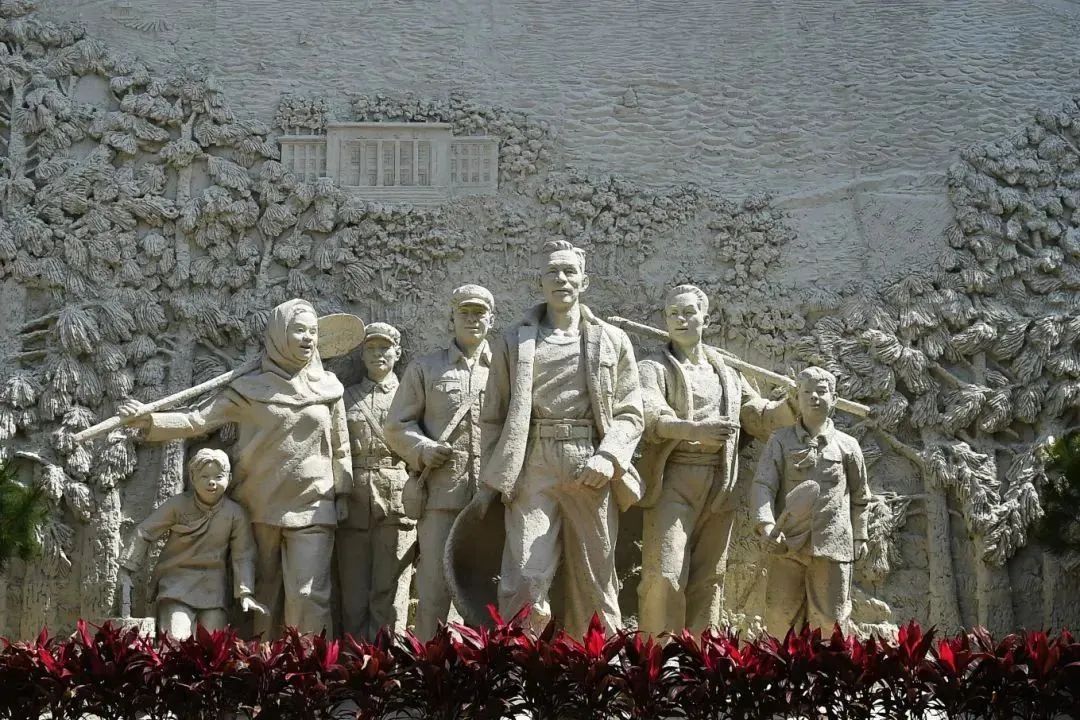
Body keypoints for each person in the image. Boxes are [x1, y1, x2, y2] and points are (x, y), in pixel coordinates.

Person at [119, 298, 352, 637]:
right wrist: (149, 421)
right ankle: (262, 659)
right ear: (279, 335)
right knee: (263, 590)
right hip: (260, 503)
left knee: (309, 594)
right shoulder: (249, 390)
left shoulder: (329, 388)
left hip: (314, 503)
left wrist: (342, 492)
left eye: (313, 332)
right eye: (299, 330)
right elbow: (196, 420)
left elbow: (341, 447)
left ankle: (309, 663)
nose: (308, 338)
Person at [477, 240, 643, 637]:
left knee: (595, 578)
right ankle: (516, 664)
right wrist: (496, 476)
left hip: (591, 461)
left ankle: (597, 666)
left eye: (570, 271)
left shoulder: (612, 340)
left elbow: (631, 413)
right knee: (524, 574)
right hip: (534, 461)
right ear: (540, 281)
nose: (561, 279)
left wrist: (609, 457)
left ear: (584, 281)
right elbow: (493, 416)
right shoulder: (514, 341)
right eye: (552, 272)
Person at [636, 284, 795, 635]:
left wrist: (790, 407)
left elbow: (755, 415)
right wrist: (693, 429)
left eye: (688, 312)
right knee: (664, 573)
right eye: (673, 314)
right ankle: (658, 654)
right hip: (674, 478)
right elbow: (650, 415)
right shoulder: (653, 367)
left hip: (721, 481)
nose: (681, 319)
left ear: (705, 319)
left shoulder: (727, 369)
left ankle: (698, 656)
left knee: (710, 577)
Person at [385, 284, 494, 639]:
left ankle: (484, 663)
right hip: (442, 496)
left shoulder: (505, 370)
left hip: (491, 500)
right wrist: (422, 449)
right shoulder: (426, 368)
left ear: (491, 320)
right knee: (434, 585)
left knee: (486, 587)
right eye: (465, 312)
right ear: (452, 318)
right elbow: (396, 425)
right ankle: (429, 662)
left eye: (479, 313)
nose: (472, 319)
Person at [752, 366, 871, 633]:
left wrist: (859, 536)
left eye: (821, 391)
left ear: (834, 399)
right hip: (787, 544)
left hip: (833, 545)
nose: (814, 397)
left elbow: (861, 497)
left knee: (831, 620)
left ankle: (830, 662)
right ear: (797, 398)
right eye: (807, 392)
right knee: (780, 616)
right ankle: (780, 662)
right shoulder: (780, 441)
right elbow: (763, 485)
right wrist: (766, 525)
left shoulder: (848, 446)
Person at [118, 448, 268, 639]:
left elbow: (243, 554)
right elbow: (145, 531)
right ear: (193, 478)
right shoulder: (178, 505)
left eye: (218, 477)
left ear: (229, 478)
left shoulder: (234, 514)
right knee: (176, 637)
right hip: (176, 583)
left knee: (213, 640)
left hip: (213, 587)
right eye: (204, 476)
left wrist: (245, 592)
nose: (211, 482)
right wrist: (127, 569)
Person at [339, 322, 415, 638]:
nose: (377, 354)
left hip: (396, 497)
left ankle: (389, 655)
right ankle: (354, 658)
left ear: (398, 352)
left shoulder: (410, 396)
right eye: (370, 348)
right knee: (353, 592)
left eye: (384, 348)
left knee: (390, 586)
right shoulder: (346, 397)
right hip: (355, 497)